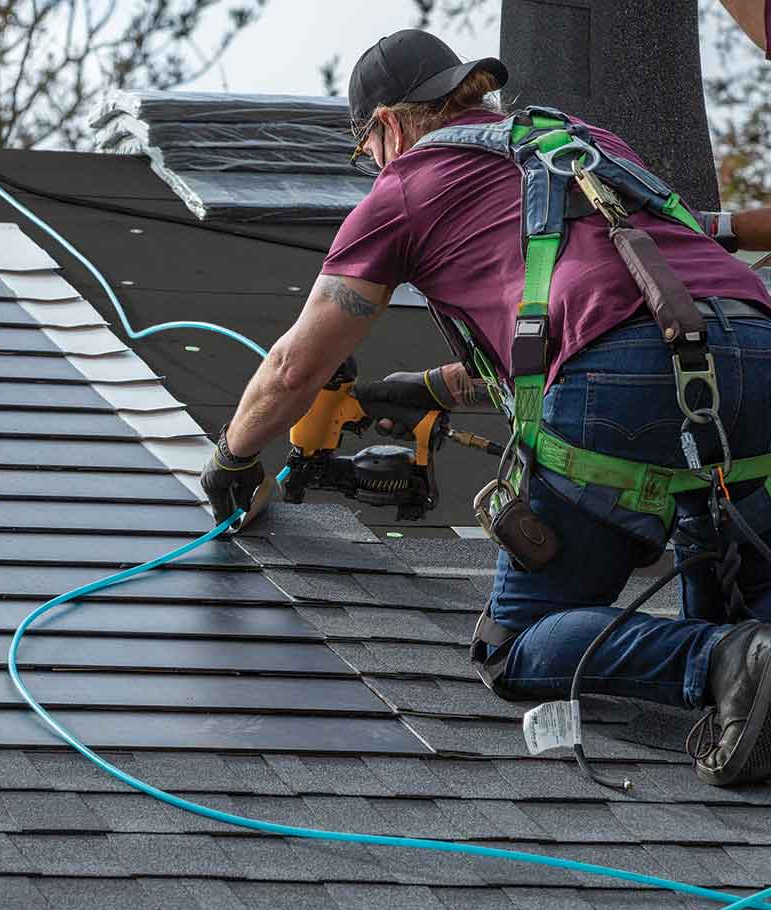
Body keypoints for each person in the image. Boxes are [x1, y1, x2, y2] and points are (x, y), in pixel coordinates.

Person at [200, 29, 771, 786]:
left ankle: (723, 661)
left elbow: (294, 366)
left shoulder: (403, 188)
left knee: (515, 643)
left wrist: (234, 457)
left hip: (626, 375)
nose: (372, 166)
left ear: (390, 128)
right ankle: (745, 649)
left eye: (366, 149)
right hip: (757, 347)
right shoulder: (580, 144)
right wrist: (427, 387)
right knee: (730, 569)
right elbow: (596, 301)